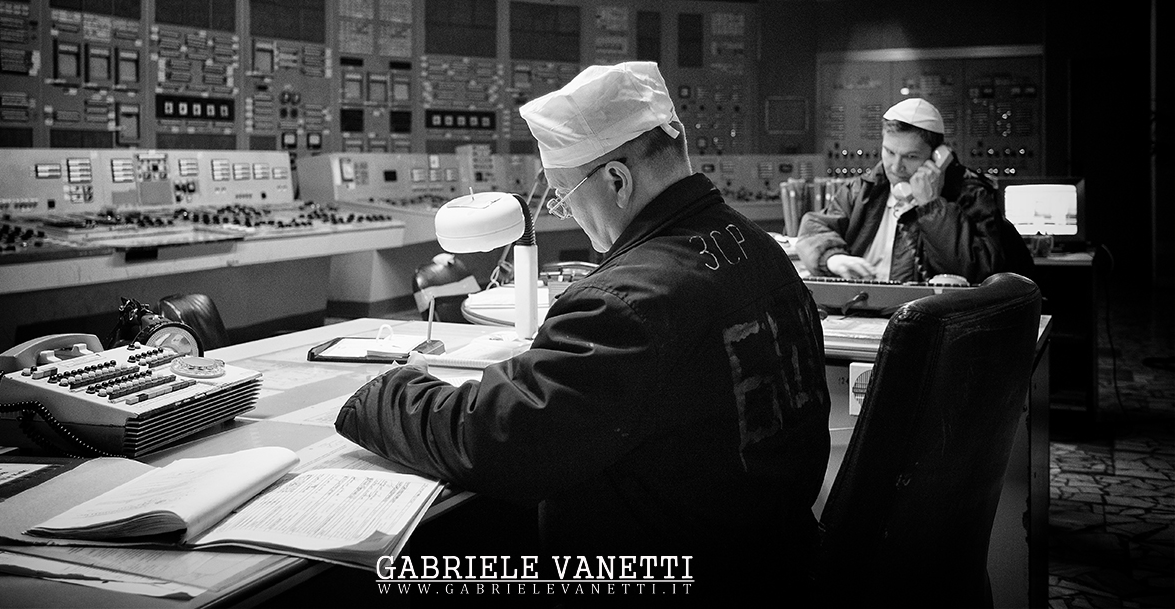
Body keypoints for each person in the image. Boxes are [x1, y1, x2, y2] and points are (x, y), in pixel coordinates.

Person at [336, 61, 831, 596]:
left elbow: (500, 441)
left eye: (565, 194)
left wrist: (386, 391)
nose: (564, 212)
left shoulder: (625, 301)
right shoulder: (760, 249)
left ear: (617, 181)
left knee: (405, 579)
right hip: (772, 554)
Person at [795, 97, 1033, 283]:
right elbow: (813, 228)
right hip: (861, 311)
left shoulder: (972, 195)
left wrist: (931, 206)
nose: (896, 166)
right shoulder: (863, 189)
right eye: (889, 152)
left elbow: (976, 271)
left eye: (910, 156)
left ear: (937, 156)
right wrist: (832, 258)